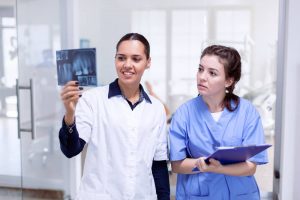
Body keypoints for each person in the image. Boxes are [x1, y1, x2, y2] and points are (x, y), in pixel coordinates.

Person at [59, 33, 170, 200]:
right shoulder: (93, 99)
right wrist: (69, 113)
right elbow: (71, 150)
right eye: (121, 58)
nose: (127, 65)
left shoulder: (156, 109)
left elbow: (159, 165)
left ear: (148, 62)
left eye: (136, 59)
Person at [169, 45, 268, 200]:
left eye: (212, 73)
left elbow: (251, 166)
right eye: (200, 69)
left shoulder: (247, 112)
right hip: (198, 195)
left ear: (228, 81)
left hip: (239, 195)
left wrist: (220, 168)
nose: (202, 77)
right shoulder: (184, 113)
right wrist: (200, 164)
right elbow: (177, 164)